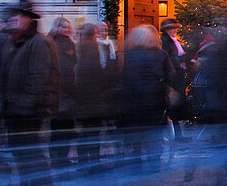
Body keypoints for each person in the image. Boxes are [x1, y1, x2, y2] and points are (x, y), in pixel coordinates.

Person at [0, 0, 59, 186]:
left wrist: (23, 107)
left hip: (29, 111)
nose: (14, 19)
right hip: (15, 110)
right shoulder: (16, 42)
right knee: (22, 154)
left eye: (19, 15)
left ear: (28, 19)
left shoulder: (38, 42)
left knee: (31, 155)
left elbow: (37, 78)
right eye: (13, 15)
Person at [119, 24, 171, 170]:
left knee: (136, 133)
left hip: (134, 100)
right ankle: (154, 163)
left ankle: (137, 165)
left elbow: (126, 77)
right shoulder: (161, 54)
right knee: (154, 133)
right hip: (155, 99)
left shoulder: (130, 54)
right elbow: (170, 76)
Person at [73, 23, 116, 172]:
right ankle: (92, 163)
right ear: (93, 34)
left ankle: (84, 161)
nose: (100, 34)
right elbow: (95, 71)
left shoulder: (81, 46)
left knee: (86, 131)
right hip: (91, 96)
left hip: (83, 96)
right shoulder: (91, 47)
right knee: (92, 132)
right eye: (98, 32)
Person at [48, 17, 77, 170]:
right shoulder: (50, 42)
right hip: (56, 91)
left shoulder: (71, 44)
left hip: (69, 91)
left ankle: (63, 157)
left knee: (67, 129)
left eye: (67, 27)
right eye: (62, 27)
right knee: (56, 129)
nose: (65, 30)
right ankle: (55, 158)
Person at [159, 19, 190, 139]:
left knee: (176, 107)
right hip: (173, 78)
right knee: (172, 107)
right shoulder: (165, 41)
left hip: (177, 76)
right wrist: (180, 60)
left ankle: (178, 134)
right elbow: (169, 59)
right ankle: (175, 135)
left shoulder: (173, 41)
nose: (175, 30)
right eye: (172, 28)